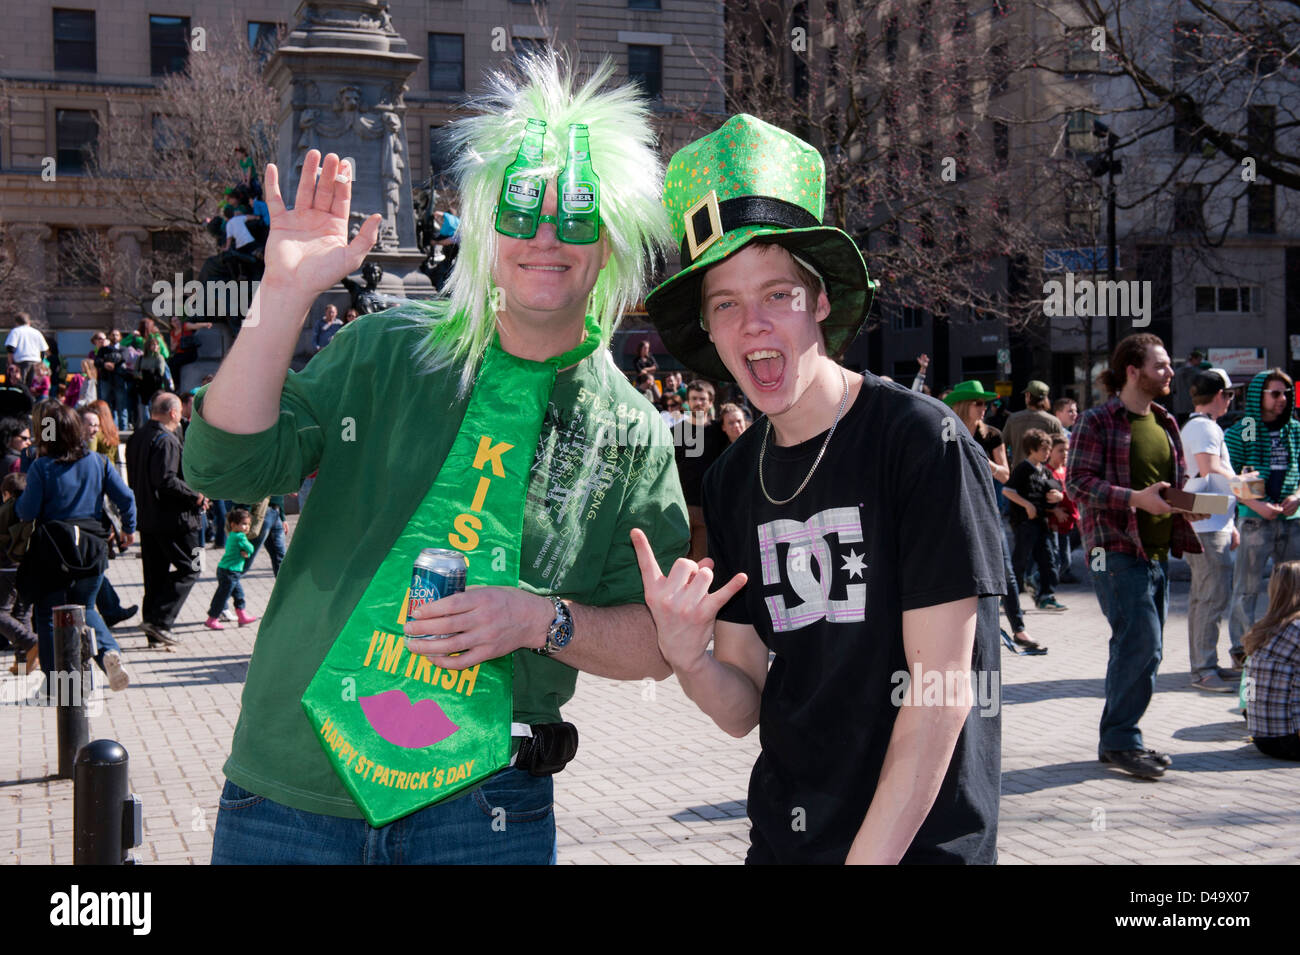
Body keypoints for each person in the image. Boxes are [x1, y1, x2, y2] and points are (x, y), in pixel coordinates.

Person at [183, 54, 689, 865]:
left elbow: (657, 639)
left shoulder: (632, 431)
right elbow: (224, 467)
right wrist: (281, 294)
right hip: (292, 795)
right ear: (488, 226)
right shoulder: (386, 350)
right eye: (521, 212)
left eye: (578, 216)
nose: (547, 238)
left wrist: (538, 619)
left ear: (613, 242)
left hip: (484, 809)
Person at [638, 113, 1002, 863]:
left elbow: (939, 697)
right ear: (709, 328)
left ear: (822, 302)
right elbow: (744, 703)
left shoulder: (921, 443)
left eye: (778, 294)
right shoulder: (736, 475)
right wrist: (688, 655)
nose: (753, 324)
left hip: (915, 848)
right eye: (727, 303)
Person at [1067, 333, 1202, 780]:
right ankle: (1121, 740)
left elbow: (1171, 489)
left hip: (1157, 552)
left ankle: (1121, 738)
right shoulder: (1098, 420)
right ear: (1132, 370)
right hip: (1114, 550)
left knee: (1146, 649)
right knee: (1140, 641)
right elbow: (1077, 484)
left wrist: (1202, 506)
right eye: (1161, 365)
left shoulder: (1166, 422)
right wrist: (1134, 499)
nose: (1169, 373)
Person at [15, 402, 135, 692]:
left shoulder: (41, 467)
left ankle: (55, 680)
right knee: (87, 606)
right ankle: (108, 654)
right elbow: (126, 497)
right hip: (91, 546)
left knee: (47, 612)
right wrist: (129, 529)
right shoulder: (99, 462)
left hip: (53, 548)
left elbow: (27, 511)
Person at [946, 380, 1043, 653]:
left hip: (987, 508)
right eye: (978, 403)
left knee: (1005, 570)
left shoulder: (992, 435)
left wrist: (979, 456)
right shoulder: (947, 433)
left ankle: (1019, 628)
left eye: (985, 403)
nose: (984, 408)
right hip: (955, 508)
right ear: (963, 406)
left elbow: (1005, 473)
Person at [1224, 369, 1300, 668]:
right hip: (1255, 520)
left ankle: (1289, 647)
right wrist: (1258, 506)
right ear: (1259, 396)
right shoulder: (1243, 430)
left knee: (1292, 587)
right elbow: (1228, 477)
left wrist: (1297, 497)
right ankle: (1242, 652)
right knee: (1246, 588)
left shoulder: (1294, 429)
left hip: (1292, 520)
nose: (1283, 399)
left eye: (1286, 393)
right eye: (1276, 393)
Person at [126, 392, 207, 648]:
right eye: (181, 411)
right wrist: (196, 496)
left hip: (149, 519)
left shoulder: (138, 436)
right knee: (193, 567)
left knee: (155, 575)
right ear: (173, 412)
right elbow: (166, 480)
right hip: (176, 521)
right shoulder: (166, 440)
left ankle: (154, 629)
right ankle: (159, 622)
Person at [1181, 369, 1244, 692]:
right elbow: (1208, 469)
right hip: (1207, 525)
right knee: (1212, 598)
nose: (1231, 400)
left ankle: (1205, 665)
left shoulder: (1203, 426)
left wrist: (1229, 521)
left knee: (1203, 598)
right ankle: (1204, 669)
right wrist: (1243, 485)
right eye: (1230, 394)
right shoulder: (1204, 427)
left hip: (1211, 522)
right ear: (1220, 395)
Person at [1002, 429, 1067, 613]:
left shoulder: (1045, 471)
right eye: (1043, 449)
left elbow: (1056, 490)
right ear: (1032, 449)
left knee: (1048, 559)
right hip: (1024, 523)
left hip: (1042, 521)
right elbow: (1008, 491)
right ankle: (1009, 598)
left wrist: (1058, 497)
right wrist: (1027, 505)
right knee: (1020, 561)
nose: (1047, 453)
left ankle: (1046, 596)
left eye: (1048, 449)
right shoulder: (1023, 468)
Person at [1242, 561, 1300, 760]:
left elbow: (1246, 691)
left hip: (1262, 736)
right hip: (1290, 739)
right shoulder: (1297, 628)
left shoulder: (1265, 628)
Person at [671, 379, 726, 561]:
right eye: (694, 398)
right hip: (679, 507)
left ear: (711, 402)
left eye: (702, 399)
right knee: (677, 563)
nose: (698, 403)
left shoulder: (720, 431)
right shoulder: (676, 431)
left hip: (707, 508)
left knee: (702, 564)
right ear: (688, 401)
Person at [0, 471, 38, 675]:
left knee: (1, 613)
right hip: (28, 569)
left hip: (6, 569)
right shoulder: (30, 509)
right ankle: (24, 662)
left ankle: (32, 642)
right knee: (22, 613)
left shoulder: (7, 509)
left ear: (6, 493)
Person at [205, 508, 258, 630]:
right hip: (230, 571)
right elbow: (250, 548)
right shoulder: (240, 537)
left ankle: (242, 616)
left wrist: (245, 553)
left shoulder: (232, 535)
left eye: (248, 524)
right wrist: (248, 552)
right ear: (234, 524)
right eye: (244, 524)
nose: (247, 527)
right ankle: (212, 619)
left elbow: (243, 551)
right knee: (222, 596)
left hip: (228, 570)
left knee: (239, 594)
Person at [1002, 380, 1065, 470]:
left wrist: (1008, 467)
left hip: (1018, 474)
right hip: (1045, 476)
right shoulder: (1053, 422)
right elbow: (1061, 450)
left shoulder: (1013, 419)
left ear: (1028, 396)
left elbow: (1001, 446)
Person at [1045, 433, 1079, 584]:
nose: (1065, 453)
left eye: (1067, 450)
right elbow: (1041, 497)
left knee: (1064, 559)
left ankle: (1057, 576)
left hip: (1071, 522)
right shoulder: (1047, 472)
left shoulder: (1067, 470)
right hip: (1055, 525)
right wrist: (1054, 511)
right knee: (1060, 559)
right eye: (1060, 450)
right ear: (1050, 451)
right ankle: (1035, 580)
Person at [5, 313, 49, 391]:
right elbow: (43, 350)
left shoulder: (15, 331)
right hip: (36, 363)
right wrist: (41, 363)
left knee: (20, 386)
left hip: (21, 362)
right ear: (29, 322)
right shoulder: (36, 332)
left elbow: (10, 348)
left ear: (16, 322)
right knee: (33, 386)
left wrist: (11, 364)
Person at [1171, 350, 1204, 424]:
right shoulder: (1198, 373)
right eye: (1199, 360)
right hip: (1193, 406)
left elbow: (1173, 389)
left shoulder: (1177, 372)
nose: (1200, 362)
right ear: (1194, 359)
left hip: (1180, 406)